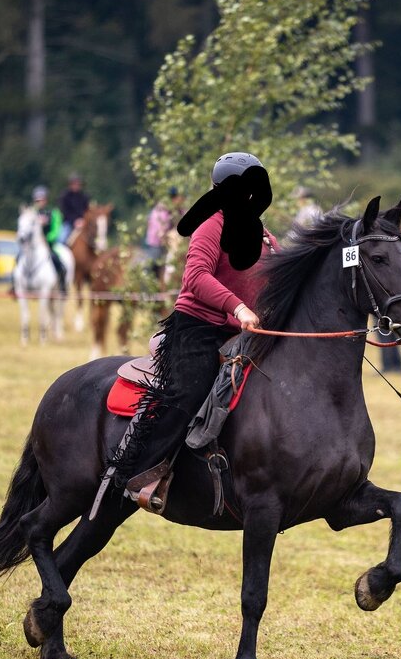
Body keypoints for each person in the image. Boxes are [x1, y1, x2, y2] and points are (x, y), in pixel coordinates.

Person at [113, 152, 278, 496]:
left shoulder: (265, 236)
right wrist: (239, 308)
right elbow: (196, 276)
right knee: (190, 390)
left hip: (241, 335)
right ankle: (138, 473)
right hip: (197, 328)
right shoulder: (210, 225)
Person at [32, 186, 67, 293]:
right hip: (34, 244)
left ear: (46, 200)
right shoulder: (31, 213)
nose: (40, 202)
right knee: (19, 258)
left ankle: (62, 285)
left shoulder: (53, 212)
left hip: (48, 244)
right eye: (37, 200)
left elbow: (56, 229)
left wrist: (48, 238)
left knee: (58, 262)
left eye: (42, 199)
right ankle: (15, 285)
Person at [58, 174, 90, 242]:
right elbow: (64, 211)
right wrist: (74, 221)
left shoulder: (84, 197)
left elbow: (86, 210)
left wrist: (82, 220)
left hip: (83, 222)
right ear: (70, 185)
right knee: (61, 240)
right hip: (68, 223)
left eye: (78, 184)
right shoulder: (65, 196)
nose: (76, 186)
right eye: (74, 184)